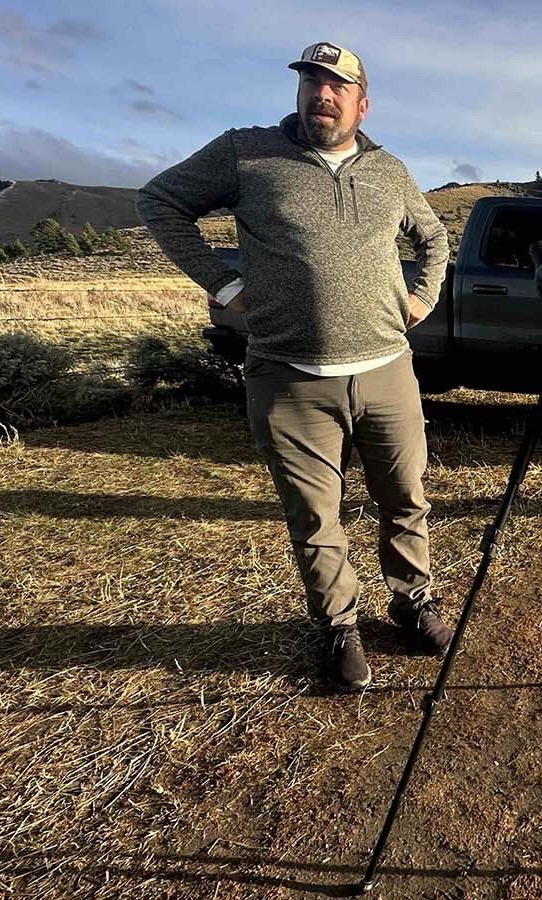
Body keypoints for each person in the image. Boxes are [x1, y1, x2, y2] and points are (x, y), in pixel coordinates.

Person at [137, 41, 452, 692]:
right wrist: (223, 289)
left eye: (337, 84)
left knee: (405, 499)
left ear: (362, 103)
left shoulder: (389, 171)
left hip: (388, 370)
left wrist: (422, 296)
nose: (321, 93)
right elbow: (162, 201)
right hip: (289, 377)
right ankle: (339, 627)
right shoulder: (246, 154)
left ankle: (411, 602)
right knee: (316, 517)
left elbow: (435, 237)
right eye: (311, 80)